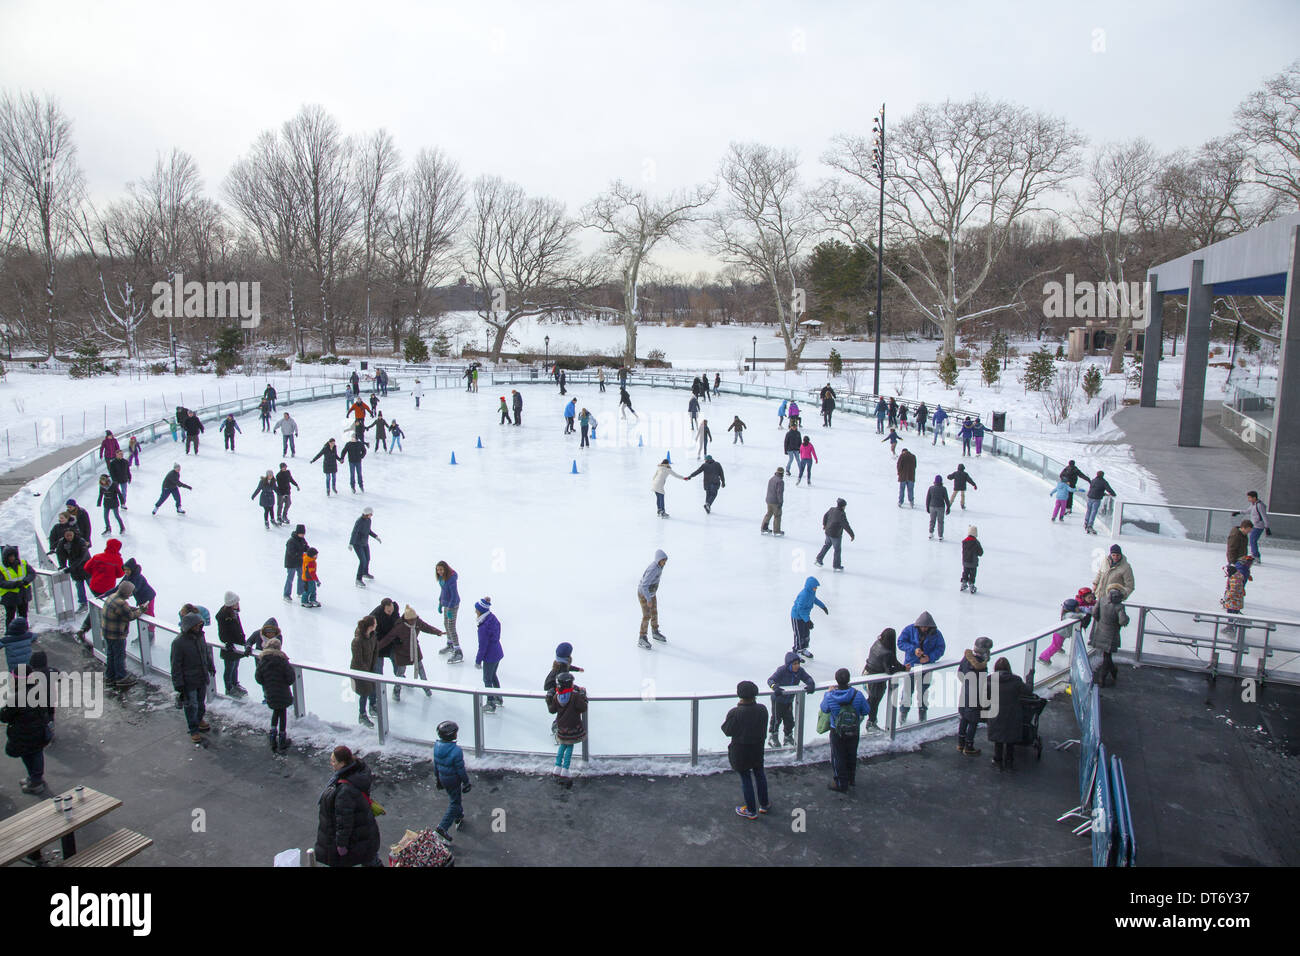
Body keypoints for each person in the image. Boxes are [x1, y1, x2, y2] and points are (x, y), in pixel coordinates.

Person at [315, 745, 382, 866]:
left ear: (342, 763)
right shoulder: (358, 771)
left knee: (360, 859)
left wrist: (341, 844)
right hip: (366, 830)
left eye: (333, 761)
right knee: (370, 859)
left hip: (357, 837)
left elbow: (344, 821)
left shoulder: (344, 791)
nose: (331, 763)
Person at [2, 648, 54, 795]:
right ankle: (36, 778)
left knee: (27, 756)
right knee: (37, 754)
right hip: (38, 731)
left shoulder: (15, 698)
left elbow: (4, 716)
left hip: (23, 734)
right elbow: (48, 708)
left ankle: (35, 781)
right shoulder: (39, 690)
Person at [722, 680, 770, 819]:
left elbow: (727, 731)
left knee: (746, 778)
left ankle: (750, 810)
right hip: (757, 748)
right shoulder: (762, 709)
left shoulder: (735, 712)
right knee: (759, 773)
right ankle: (764, 804)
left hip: (741, 751)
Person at [820, 669, 869, 792]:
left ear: (836, 680)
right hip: (854, 730)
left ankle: (841, 783)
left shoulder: (830, 696)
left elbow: (824, 709)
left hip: (837, 731)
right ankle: (851, 779)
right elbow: (866, 710)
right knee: (851, 754)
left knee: (838, 756)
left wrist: (827, 693)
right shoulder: (857, 695)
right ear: (848, 679)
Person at [171, 610, 216, 743]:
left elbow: (205, 653)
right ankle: (193, 729)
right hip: (188, 680)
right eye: (196, 625)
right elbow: (176, 665)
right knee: (191, 705)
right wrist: (178, 683)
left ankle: (199, 719)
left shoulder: (200, 637)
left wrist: (210, 666)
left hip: (201, 677)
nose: (198, 627)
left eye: (199, 625)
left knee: (201, 702)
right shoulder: (178, 643)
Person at [897, 611, 944, 721]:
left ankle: (922, 715)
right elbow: (900, 642)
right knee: (907, 691)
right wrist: (913, 650)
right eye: (922, 626)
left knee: (923, 691)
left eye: (926, 627)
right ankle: (903, 715)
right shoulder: (909, 630)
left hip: (926, 668)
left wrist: (930, 658)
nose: (924, 629)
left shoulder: (936, 634)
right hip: (911, 666)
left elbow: (940, 648)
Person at [546, 671, 587, 785]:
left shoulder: (557, 696)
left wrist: (548, 698)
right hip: (573, 726)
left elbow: (552, 710)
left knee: (563, 745)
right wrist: (583, 696)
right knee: (569, 746)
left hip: (562, 726)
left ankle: (557, 767)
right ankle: (565, 769)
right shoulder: (575, 696)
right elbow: (583, 707)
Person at [766, 651, 814, 748]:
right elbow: (770, 680)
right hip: (778, 700)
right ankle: (773, 736)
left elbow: (808, 678)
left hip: (789, 700)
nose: (797, 666)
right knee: (776, 719)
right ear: (789, 664)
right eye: (794, 664)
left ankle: (788, 737)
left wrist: (811, 684)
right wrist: (775, 687)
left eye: (798, 664)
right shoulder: (782, 670)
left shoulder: (800, 671)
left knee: (789, 720)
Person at [433, 721, 471, 841]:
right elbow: (460, 769)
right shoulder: (456, 750)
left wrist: (438, 779)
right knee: (454, 803)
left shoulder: (437, 746)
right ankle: (442, 828)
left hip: (444, 778)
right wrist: (466, 782)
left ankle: (459, 816)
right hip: (454, 780)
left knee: (455, 798)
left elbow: (436, 765)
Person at [985, 658, 1025, 771]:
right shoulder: (1016, 680)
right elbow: (1028, 690)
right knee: (1010, 737)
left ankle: (998, 760)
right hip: (1012, 714)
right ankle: (1009, 760)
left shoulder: (989, 680)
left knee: (998, 738)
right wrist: (1030, 677)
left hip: (996, 713)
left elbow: (985, 697)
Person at [392, 605, 440, 698]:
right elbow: (390, 637)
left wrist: (437, 632)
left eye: (415, 619)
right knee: (401, 671)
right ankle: (396, 690)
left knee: (420, 668)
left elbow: (426, 627)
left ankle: (426, 687)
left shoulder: (416, 621)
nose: (414, 621)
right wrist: (378, 647)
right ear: (407, 619)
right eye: (412, 620)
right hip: (402, 651)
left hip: (414, 649)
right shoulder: (399, 626)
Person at [862, 628, 905, 730]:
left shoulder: (877, 643)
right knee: (874, 701)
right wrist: (902, 668)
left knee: (872, 699)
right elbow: (889, 670)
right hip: (876, 681)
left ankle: (868, 719)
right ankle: (870, 722)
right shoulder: (887, 652)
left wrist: (902, 667)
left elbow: (891, 660)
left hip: (866, 674)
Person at [956, 637, 993, 756]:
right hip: (975, 696)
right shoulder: (980, 665)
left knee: (964, 718)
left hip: (965, 693)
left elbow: (960, 673)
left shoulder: (967, 658)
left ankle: (960, 743)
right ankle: (969, 746)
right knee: (973, 721)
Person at [473, 597, 504, 712]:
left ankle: (490, 702)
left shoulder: (483, 627)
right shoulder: (492, 618)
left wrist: (478, 661)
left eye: (476, 609)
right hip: (497, 652)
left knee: (487, 679)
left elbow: (482, 646)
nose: (475, 611)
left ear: (480, 610)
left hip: (490, 656)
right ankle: (498, 697)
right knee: (493, 675)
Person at [216, 591, 249, 697]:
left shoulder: (233, 613)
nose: (238, 604)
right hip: (230, 647)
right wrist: (228, 642)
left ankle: (234, 684)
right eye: (236, 602)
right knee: (230, 668)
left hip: (237, 645)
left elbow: (238, 628)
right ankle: (229, 687)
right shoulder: (224, 615)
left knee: (235, 666)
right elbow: (223, 632)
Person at [636, 550, 669, 649]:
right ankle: (642, 637)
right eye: (663, 560)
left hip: (651, 593)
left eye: (665, 561)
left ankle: (655, 632)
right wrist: (648, 599)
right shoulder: (653, 569)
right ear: (659, 560)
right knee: (647, 615)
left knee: (654, 612)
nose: (665, 563)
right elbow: (644, 585)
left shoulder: (660, 567)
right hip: (644, 594)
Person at [790, 576, 827, 660]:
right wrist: (807, 621)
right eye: (815, 587)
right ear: (810, 587)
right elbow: (800, 610)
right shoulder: (804, 595)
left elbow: (814, 599)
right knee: (799, 635)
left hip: (805, 617)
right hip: (797, 617)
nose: (816, 588)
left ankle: (803, 649)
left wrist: (823, 606)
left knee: (806, 634)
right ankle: (796, 652)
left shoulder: (811, 593)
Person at [351, 616, 379, 726]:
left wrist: (372, 667)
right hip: (360, 670)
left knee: (372, 689)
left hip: (370, 668)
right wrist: (366, 671)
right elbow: (358, 659)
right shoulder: (358, 641)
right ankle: (362, 714)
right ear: (371, 626)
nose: (376, 625)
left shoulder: (372, 636)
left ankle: (372, 706)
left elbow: (375, 650)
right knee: (364, 693)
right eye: (375, 623)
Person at [53, 527, 90, 609]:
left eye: (70, 535)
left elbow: (83, 557)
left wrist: (71, 568)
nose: (69, 537)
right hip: (75, 568)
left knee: (91, 583)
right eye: (67, 536)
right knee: (79, 585)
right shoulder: (62, 543)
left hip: (85, 566)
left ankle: (99, 597)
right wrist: (63, 565)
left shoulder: (80, 542)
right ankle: (83, 602)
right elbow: (60, 554)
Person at [816, 498, 855, 571]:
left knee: (827, 545)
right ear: (842, 506)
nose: (845, 507)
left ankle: (819, 559)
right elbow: (846, 525)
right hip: (835, 535)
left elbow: (825, 516)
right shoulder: (841, 514)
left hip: (828, 532)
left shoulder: (832, 509)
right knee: (837, 550)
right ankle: (836, 565)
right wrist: (852, 535)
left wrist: (824, 525)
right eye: (845, 506)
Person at [0, 547, 34, 630]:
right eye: (10, 556)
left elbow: (32, 573)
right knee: (10, 616)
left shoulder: (23, 563)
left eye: (13, 556)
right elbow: (1, 582)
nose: (12, 558)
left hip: (23, 594)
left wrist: (26, 580)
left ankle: (24, 631)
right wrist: (15, 584)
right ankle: (10, 633)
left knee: (23, 614)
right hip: (9, 596)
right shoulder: (1, 568)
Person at [1232, 491, 1271, 563]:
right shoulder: (1254, 504)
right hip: (1254, 525)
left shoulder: (1259, 505)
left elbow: (1264, 516)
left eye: (1249, 498)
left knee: (1253, 540)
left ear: (1254, 497)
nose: (1248, 499)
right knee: (1252, 540)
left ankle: (1256, 557)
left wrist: (1267, 527)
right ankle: (1255, 555)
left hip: (1258, 526)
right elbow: (1248, 511)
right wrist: (1238, 512)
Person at [350, 507, 380, 587]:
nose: (372, 515)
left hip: (365, 543)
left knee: (368, 558)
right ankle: (358, 579)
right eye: (371, 514)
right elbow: (354, 532)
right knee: (363, 560)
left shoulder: (369, 520)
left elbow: (368, 530)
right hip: (358, 544)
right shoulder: (359, 521)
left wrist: (376, 536)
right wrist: (351, 543)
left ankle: (365, 573)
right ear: (367, 514)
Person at [1083, 470, 1116, 535]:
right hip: (1096, 499)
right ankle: (1090, 525)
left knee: (1089, 510)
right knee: (1093, 512)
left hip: (1090, 497)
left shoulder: (1093, 480)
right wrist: (1113, 494)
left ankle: (1086, 522)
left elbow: (1094, 489)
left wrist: (1102, 493)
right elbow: (1109, 489)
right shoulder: (1103, 482)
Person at [926, 475, 952, 540]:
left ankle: (930, 533)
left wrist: (927, 507)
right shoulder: (943, 489)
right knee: (940, 522)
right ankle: (940, 536)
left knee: (932, 521)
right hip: (940, 507)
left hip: (932, 506)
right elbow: (946, 499)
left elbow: (928, 498)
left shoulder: (931, 488)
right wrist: (948, 507)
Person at [761, 467, 785, 535]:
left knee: (769, 514)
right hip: (775, 501)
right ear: (782, 473)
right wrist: (780, 502)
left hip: (769, 500)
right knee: (777, 515)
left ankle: (764, 528)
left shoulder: (771, 479)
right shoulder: (780, 481)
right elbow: (779, 493)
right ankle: (776, 531)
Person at [960, 526, 983, 594]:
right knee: (972, 574)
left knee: (965, 572)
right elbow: (980, 552)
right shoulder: (976, 542)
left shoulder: (964, 541)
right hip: (973, 562)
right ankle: (971, 584)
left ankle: (964, 583)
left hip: (965, 561)